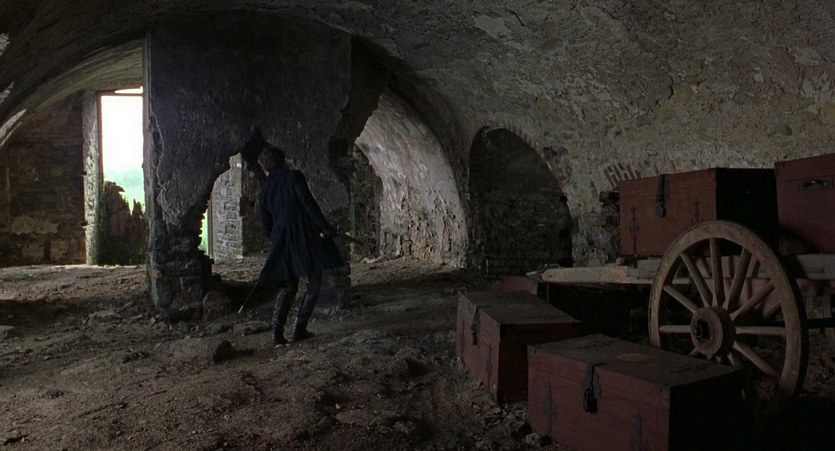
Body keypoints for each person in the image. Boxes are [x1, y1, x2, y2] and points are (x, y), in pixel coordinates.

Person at [256, 145, 345, 345]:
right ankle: (300, 328)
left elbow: (265, 225)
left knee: (288, 286)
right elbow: (309, 205)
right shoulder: (293, 177)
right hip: (305, 235)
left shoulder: (265, 189)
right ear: (282, 160)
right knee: (313, 282)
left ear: (265, 166)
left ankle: (277, 332)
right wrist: (326, 227)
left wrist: (277, 236)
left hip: (281, 239)